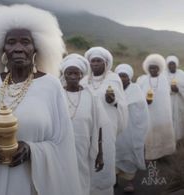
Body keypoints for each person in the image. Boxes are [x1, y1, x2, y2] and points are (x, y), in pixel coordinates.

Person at [0, 4, 82, 195]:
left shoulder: (51, 86)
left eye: (25, 42)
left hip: (32, 184)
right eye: (11, 42)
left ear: (36, 47)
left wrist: (33, 151)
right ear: (2, 48)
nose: (18, 48)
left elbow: (62, 143)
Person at [80, 47, 128, 195]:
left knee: (104, 156)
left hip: (106, 129)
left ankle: (102, 189)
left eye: (98, 61)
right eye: (92, 61)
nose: (95, 64)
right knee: (85, 158)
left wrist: (113, 101)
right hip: (86, 128)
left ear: (106, 63)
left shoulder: (113, 79)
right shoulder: (83, 80)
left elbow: (122, 104)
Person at [61, 53, 106, 195]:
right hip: (60, 148)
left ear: (81, 75)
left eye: (76, 73)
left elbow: (98, 126)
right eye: (69, 73)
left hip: (83, 149)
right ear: (64, 75)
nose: (73, 76)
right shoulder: (57, 95)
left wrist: (100, 153)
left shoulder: (91, 97)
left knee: (81, 182)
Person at [115, 64, 149, 193]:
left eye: (124, 76)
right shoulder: (112, 88)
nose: (122, 78)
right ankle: (115, 179)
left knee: (130, 153)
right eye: (119, 76)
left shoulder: (135, 90)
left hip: (131, 129)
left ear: (129, 77)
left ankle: (130, 182)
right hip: (116, 128)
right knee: (115, 153)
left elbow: (142, 110)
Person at [137, 54, 176, 160]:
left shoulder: (163, 79)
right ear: (147, 68)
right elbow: (138, 95)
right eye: (151, 67)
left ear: (159, 68)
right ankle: (150, 154)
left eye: (155, 67)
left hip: (162, 114)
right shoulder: (142, 79)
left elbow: (167, 96)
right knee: (149, 133)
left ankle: (163, 155)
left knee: (161, 132)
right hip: (148, 112)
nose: (153, 69)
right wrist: (145, 101)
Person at [165, 56, 184, 142]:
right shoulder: (163, 75)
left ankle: (179, 139)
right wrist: (170, 90)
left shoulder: (182, 74)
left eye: (173, 64)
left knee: (179, 119)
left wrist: (178, 89)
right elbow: (161, 89)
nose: (172, 66)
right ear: (167, 65)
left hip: (179, 101)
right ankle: (169, 140)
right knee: (169, 119)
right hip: (167, 101)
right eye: (170, 64)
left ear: (176, 64)